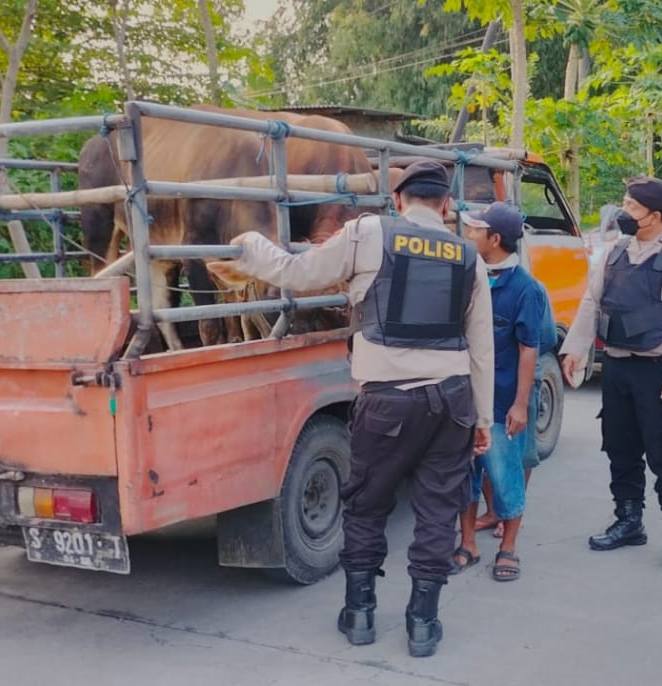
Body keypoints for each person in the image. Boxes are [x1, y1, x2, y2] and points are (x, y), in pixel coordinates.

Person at [225, 160, 495, 657]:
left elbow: (296, 274)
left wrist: (249, 246)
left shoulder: (367, 233)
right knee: (438, 512)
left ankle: (361, 614)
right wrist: (482, 420)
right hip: (452, 402)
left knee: (367, 506)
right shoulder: (469, 257)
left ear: (398, 200)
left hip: (387, 403)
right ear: (447, 205)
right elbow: (482, 349)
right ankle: (422, 623)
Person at [559, 176, 662, 570]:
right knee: (619, 447)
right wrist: (575, 348)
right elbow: (593, 302)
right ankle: (629, 520)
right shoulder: (613, 252)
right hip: (618, 367)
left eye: (631, 206)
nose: (623, 212)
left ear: (654, 216)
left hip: (658, 370)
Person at [449, 202, 543, 582]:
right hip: (465, 402)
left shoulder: (525, 289)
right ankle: (468, 543)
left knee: (505, 477)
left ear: (495, 239)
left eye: (475, 231)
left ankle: (508, 548)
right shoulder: (467, 278)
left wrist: (520, 404)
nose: (469, 235)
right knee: (464, 475)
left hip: (504, 403)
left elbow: (529, 349)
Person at [475, 278, 556, 540]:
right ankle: (494, 511)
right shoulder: (473, 279)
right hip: (483, 380)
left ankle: (510, 515)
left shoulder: (529, 288)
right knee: (485, 454)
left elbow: (544, 338)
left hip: (519, 379)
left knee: (519, 453)